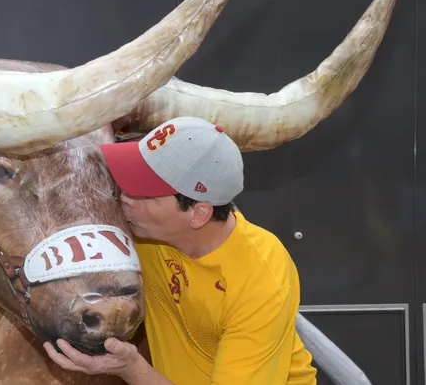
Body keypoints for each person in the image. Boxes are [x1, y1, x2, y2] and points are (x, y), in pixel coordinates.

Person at [43, 116, 318, 384]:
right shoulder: (145, 230)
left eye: (143, 193)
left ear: (199, 214)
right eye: (128, 177)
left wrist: (133, 370)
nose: (124, 197)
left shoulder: (260, 281)